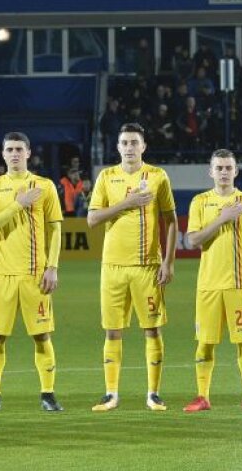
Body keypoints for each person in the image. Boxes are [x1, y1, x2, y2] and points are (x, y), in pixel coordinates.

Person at [87, 123, 177, 412]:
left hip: (147, 267)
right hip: (112, 267)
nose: (129, 147)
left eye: (134, 142)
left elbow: (171, 220)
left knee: (152, 330)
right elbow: (92, 219)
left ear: (143, 146)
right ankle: (111, 394)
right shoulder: (106, 177)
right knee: (112, 331)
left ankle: (153, 393)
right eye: (124, 142)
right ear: (118, 147)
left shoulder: (158, 176)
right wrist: (127, 203)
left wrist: (168, 261)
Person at [0, 132, 64, 413]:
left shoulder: (45, 186)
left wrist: (52, 267)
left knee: (41, 335)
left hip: (35, 275)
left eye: (19, 149)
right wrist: (19, 203)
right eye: (9, 149)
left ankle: (48, 394)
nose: (14, 154)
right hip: (2, 275)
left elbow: (55, 229)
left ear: (28, 153)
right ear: (3, 154)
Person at [182, 150, 242, 412]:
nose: (223, 172)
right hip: (208, 285)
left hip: (240, 284)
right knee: (205, 342)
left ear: (236, 171)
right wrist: (222, 218)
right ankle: (202, 396)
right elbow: (191, 241)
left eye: (228, 168)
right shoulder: (200, 202)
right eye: (218, 168)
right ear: (211, 171)